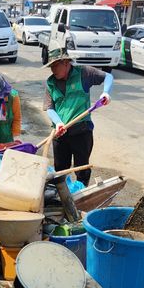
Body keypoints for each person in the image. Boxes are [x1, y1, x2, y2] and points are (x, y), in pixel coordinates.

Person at [43, 44, 113, 186]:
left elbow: (108, 77)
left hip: (81, 131)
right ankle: (63, 197)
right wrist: (58, 123)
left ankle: (81, 194)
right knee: (60, 169)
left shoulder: (84, 73)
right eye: (51, 66)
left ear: (66, 62)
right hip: (60, 133)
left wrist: (106, 92)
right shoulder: (50, 82)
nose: (53, 69)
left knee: (82, 169)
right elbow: (50, 108)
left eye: (56, 65)